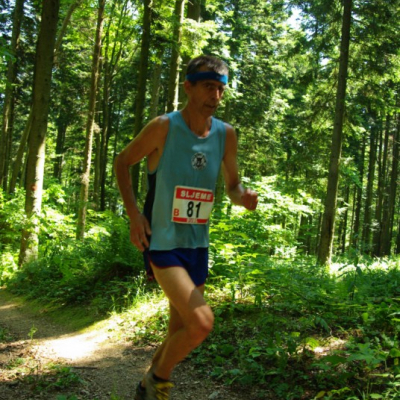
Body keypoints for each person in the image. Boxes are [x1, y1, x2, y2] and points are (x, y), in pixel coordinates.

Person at [114, 55, 258, 400]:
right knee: (201, 322)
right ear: (188, 87)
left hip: (198, 244)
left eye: (220, 89)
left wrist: (243, 197)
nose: (215, 96)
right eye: (208, 87)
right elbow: (122, 161)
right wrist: (134, 215)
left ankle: (147, 388)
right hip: (162, 242)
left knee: (178, 329)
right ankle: (157, 381)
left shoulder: (226, 134)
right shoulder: (164, 127)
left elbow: (232, 186)